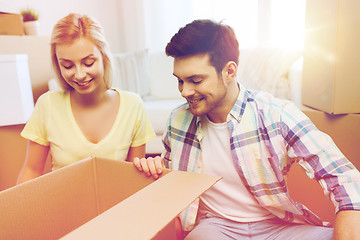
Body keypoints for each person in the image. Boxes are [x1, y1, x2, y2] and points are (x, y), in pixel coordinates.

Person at [134, 19, 360, 239]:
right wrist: (154, 169)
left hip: (276, 227)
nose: (184, 91)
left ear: (229, 71)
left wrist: (350, 215)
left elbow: (340, 174)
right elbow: (168, 179)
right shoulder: (178, 120)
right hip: (215, 227)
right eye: (180, 81)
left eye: (195, 80)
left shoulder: (276, 113)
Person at [17, 13, 155, 184]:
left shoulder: (133, 106)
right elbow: (31, 170)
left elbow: (133, 178)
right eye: (67, 65)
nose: (80, 75)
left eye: (88, 63)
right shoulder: (47, 105)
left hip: (116, 206)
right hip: (63, 206)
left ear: (104, 57)